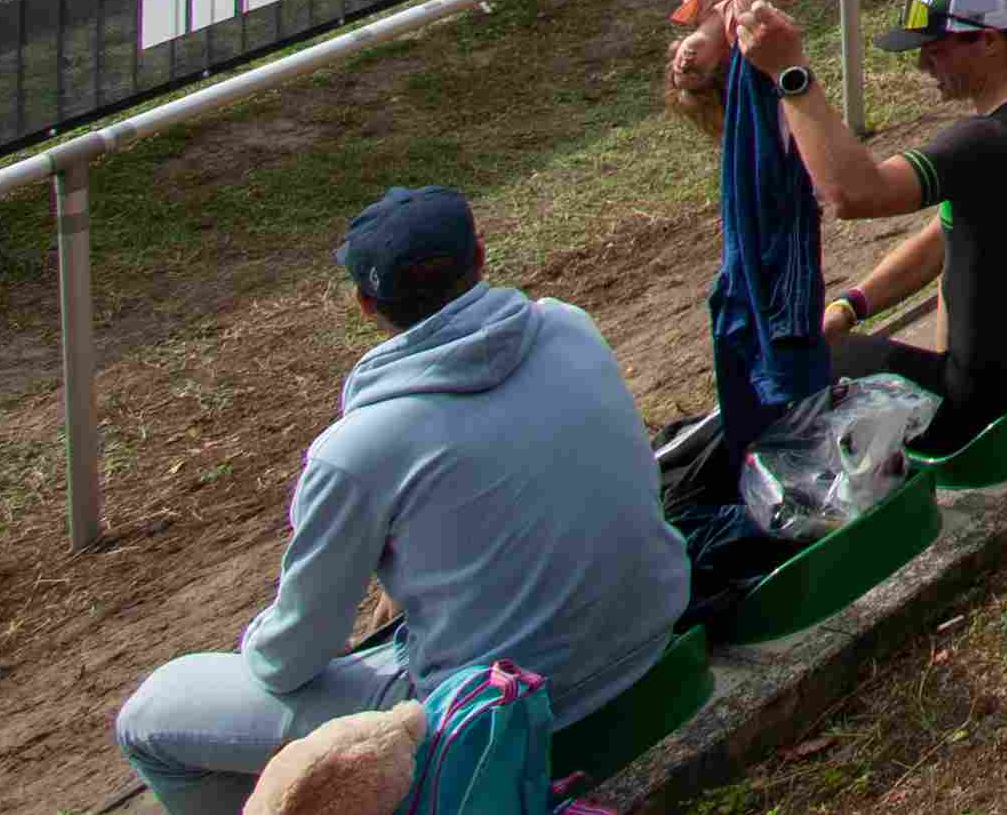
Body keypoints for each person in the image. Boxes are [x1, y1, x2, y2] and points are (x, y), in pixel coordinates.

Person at [112, 187, 687, 815]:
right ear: (482, 256)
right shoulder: (569, 326)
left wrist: (258, 639)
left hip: (498, 714)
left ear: (365, 304)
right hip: (647, 646)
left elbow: (292, 658)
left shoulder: (356, 448)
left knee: (150, 717)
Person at [749, 0, 1007, 456]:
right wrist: (853, 305)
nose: (921, 66)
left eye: (935, 51)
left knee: (791, 363)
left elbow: (853, 193)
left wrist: (791, 74)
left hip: (983, 409)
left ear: (991, 41)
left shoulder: (983, 142)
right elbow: (945, 236)